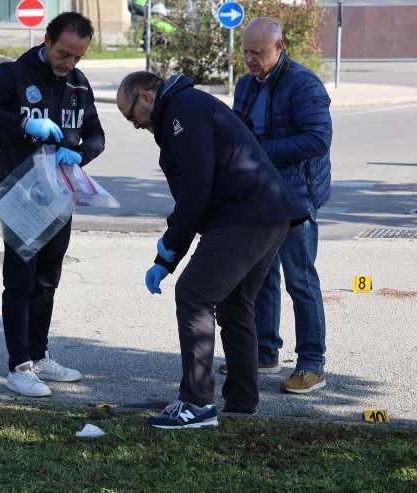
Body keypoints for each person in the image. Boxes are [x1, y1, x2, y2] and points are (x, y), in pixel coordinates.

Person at [116, 71, 308, 429]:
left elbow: (195, 191)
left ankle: (196, 403)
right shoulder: (187, 106)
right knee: (235, 305)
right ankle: (241, 400)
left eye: (131, 115)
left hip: (246, 215)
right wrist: (170, 251)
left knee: (193, 294)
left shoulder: (181, 110)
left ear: (145, 95)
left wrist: (168, 254)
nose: (134, 124)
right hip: (267, 213)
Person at [0, 12, 105, 397]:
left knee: (47, 280)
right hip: (21, 193)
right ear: (47, 40)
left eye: (77, 57)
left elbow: (95, 136)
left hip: (59, 194)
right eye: (63, 54)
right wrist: (25, 124)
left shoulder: (78, 83)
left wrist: (80, 155)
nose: (68, 63)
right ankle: (19, 366)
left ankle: (41, 355)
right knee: (21, 281)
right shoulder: (14, 74)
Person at [228, 17, 332, 394]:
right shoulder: (244, 85)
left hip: (296, 199)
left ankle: (311, 365)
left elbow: (318, 139)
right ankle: (264, 352)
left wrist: (260, 154)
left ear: (280, 48)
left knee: (300, 281)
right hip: (260, 198)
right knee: (262, 276)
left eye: (258, 52)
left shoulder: (304, 85)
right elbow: (239, 130)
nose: (251, 60)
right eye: (246, 52)